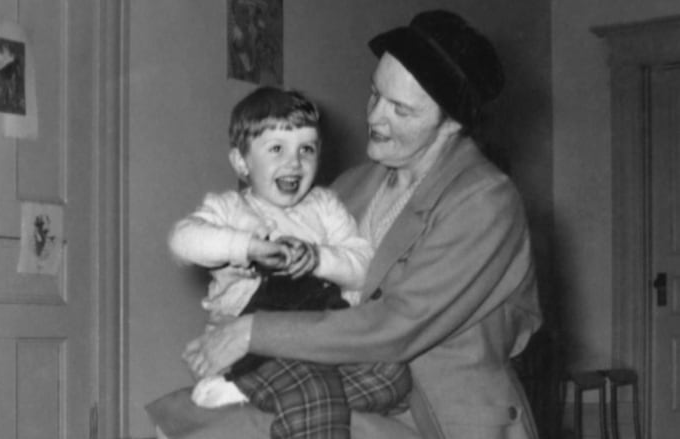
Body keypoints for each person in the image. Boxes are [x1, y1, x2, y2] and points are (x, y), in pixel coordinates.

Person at [148, 9, 542, 439]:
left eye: (401, 110)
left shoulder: (484, 202)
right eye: (375, 94)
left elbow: (398, 324)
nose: (374, 118)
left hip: (443, 417)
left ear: (452, 124)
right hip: (353, 395)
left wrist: (252, 332)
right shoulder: (352, 186)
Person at [167, 86, 413, 439]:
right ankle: (258, 386)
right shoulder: (232, 210)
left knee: (392, 375)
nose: (294, 162)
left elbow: (362, 268)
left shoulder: (325, 207)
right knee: (313, 393)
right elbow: (183, 239)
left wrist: (318, 258)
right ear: (241, 162)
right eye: (277, 149)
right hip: (255, 349)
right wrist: (246, 247)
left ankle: (249, 393)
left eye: (307, 149)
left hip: (317, 337)